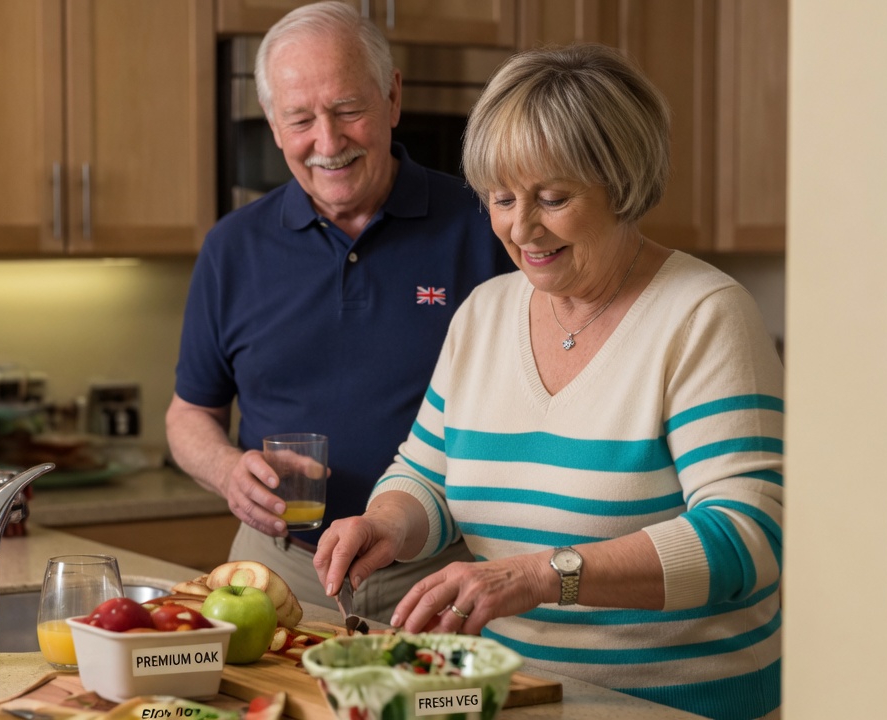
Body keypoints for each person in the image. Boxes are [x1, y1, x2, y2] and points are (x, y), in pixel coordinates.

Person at [313, 44, 783, 720]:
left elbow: (749, 538)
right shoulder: (485, 313)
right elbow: (428, 474)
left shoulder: (704, 315)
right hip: (518, 697)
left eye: (553, 198)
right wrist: (387, 522)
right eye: (501, 198)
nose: (521, 226)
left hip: (677, 706)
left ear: (620, 183)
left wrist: (541, 576)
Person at [166, 1, 513, 620]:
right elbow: (190, 413)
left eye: (348, 109)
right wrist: (226, 471)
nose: (328, 142)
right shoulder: (233, 247)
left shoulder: (487, 224)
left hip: (446, 571)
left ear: (392, 97)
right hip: (278, 571)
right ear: (273, 125)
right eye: (300, 118)